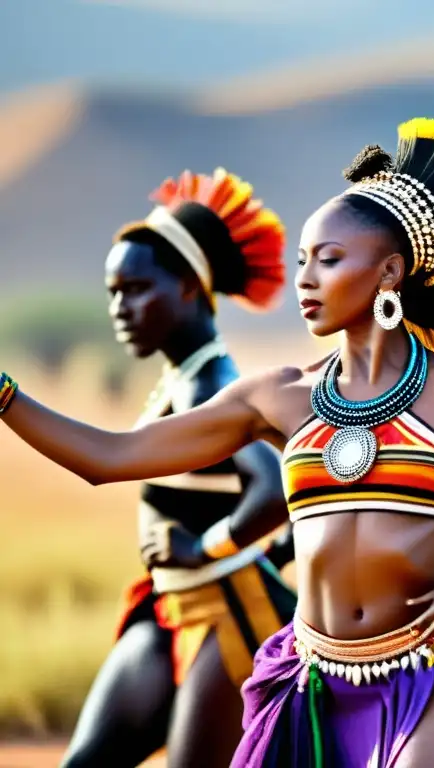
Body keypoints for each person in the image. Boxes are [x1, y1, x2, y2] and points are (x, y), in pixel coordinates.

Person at [1, 118, 434, 768]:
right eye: (302, 260)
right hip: (310, 682)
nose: (306, 278)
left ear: (390, 272)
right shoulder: (274, 396)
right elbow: (107, 459)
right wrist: (4, 395)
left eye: (328, 260)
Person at [55, 168, 297, 768]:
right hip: (169, 609)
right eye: (113, 292)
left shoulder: (213, 385)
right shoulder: (182, 378)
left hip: (228, 619)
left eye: (136, 288)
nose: (120, 308)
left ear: (190, 286)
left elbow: (276, 487)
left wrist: (207, 549)